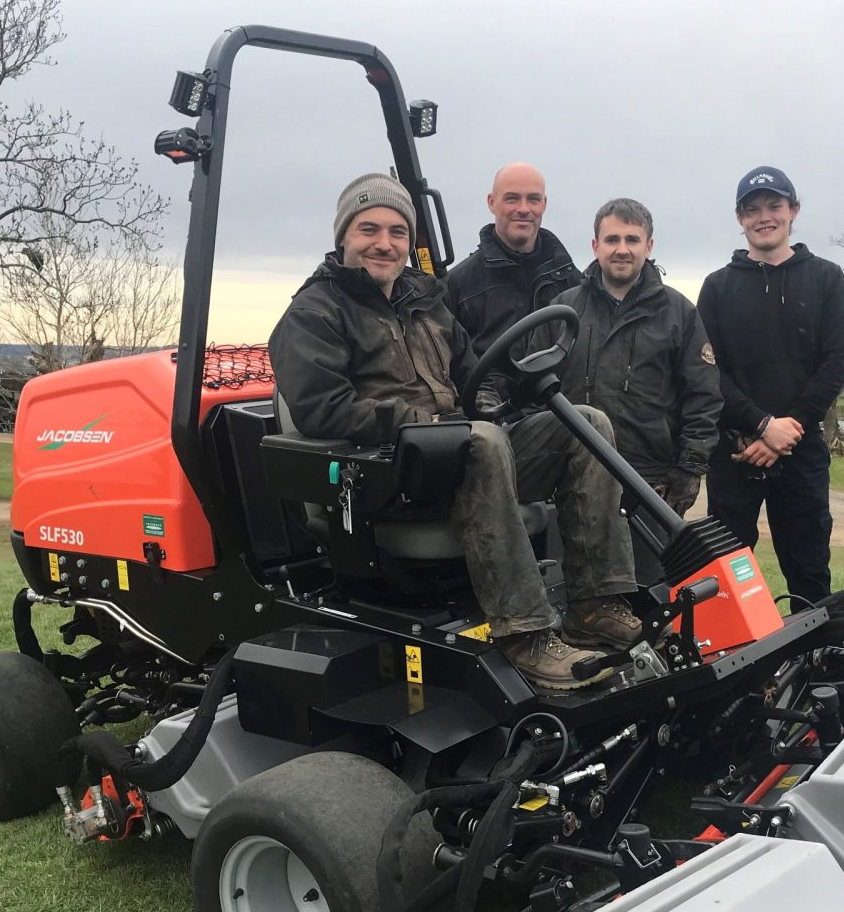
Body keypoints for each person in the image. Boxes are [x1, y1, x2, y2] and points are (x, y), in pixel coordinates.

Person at [267, 173, 641, 691]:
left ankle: (596, 601)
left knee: (585, 422)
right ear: (343, 237)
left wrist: (493, 403)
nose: (384, 243)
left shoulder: (427, 302)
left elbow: (474, 376)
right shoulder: (314, 313)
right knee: (479, 441)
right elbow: (322, 412)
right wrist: (427, 426)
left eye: (398, 232)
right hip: (385, 475)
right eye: (368, 229)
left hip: (459, 457)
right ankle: (526, 632)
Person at [696, 166, 844, 610]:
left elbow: (835, 364)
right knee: (723, 576)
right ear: (740, 218)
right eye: (753, 209)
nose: (764, 217)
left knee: (808, 573)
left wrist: (789, 430)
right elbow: (710, 372)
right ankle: (735, 671)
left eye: (774, 206)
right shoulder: (717, 287)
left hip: (801, 452)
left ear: (793, 211)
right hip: (736, 451)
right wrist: (762, 425)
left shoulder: (826, 279)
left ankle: (818, 666)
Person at [553, 197, 721, 585]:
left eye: (633, 238)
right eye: (612, 239)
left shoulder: (678, 313)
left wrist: (690, 467)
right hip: (572, 480)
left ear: (649, 245)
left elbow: (703, 395)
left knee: (651, 599)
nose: (622, 249)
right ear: (595, 246)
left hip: (650, 484)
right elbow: (534, 389)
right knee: (576, 595)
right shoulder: (564, 310)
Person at [444, 162, 581, 358]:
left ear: (544, 204)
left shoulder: (572, 282)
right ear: (492, 202)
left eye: (533, 199)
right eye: (512, 198)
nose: (523, 209)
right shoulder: (457, 285)